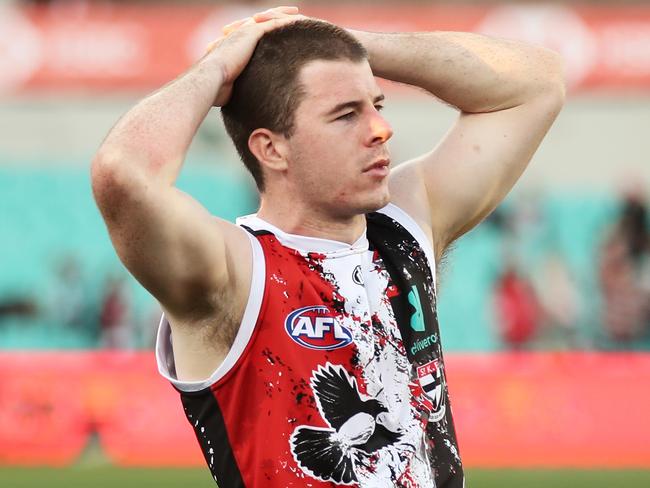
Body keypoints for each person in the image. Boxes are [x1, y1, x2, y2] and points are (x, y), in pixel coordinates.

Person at [91, 6, 564, 487]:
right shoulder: (236, 270)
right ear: (271, 149)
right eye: (346, 114)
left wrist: (345, 43)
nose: (381, 129)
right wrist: (216, 69)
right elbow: (122, 174)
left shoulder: (403, 227)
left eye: (378, 105)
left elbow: (538, 82)